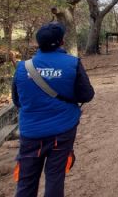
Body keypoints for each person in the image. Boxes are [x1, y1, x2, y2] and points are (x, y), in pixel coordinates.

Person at [12, 23, 95, 197]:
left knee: (26, 181)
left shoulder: (22, 67)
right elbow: (87, 95)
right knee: (55, 176)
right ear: (62, 41)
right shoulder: (72, 63)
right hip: (62, 131)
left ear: (38, 43)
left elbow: (17, 101)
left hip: (30, 133)